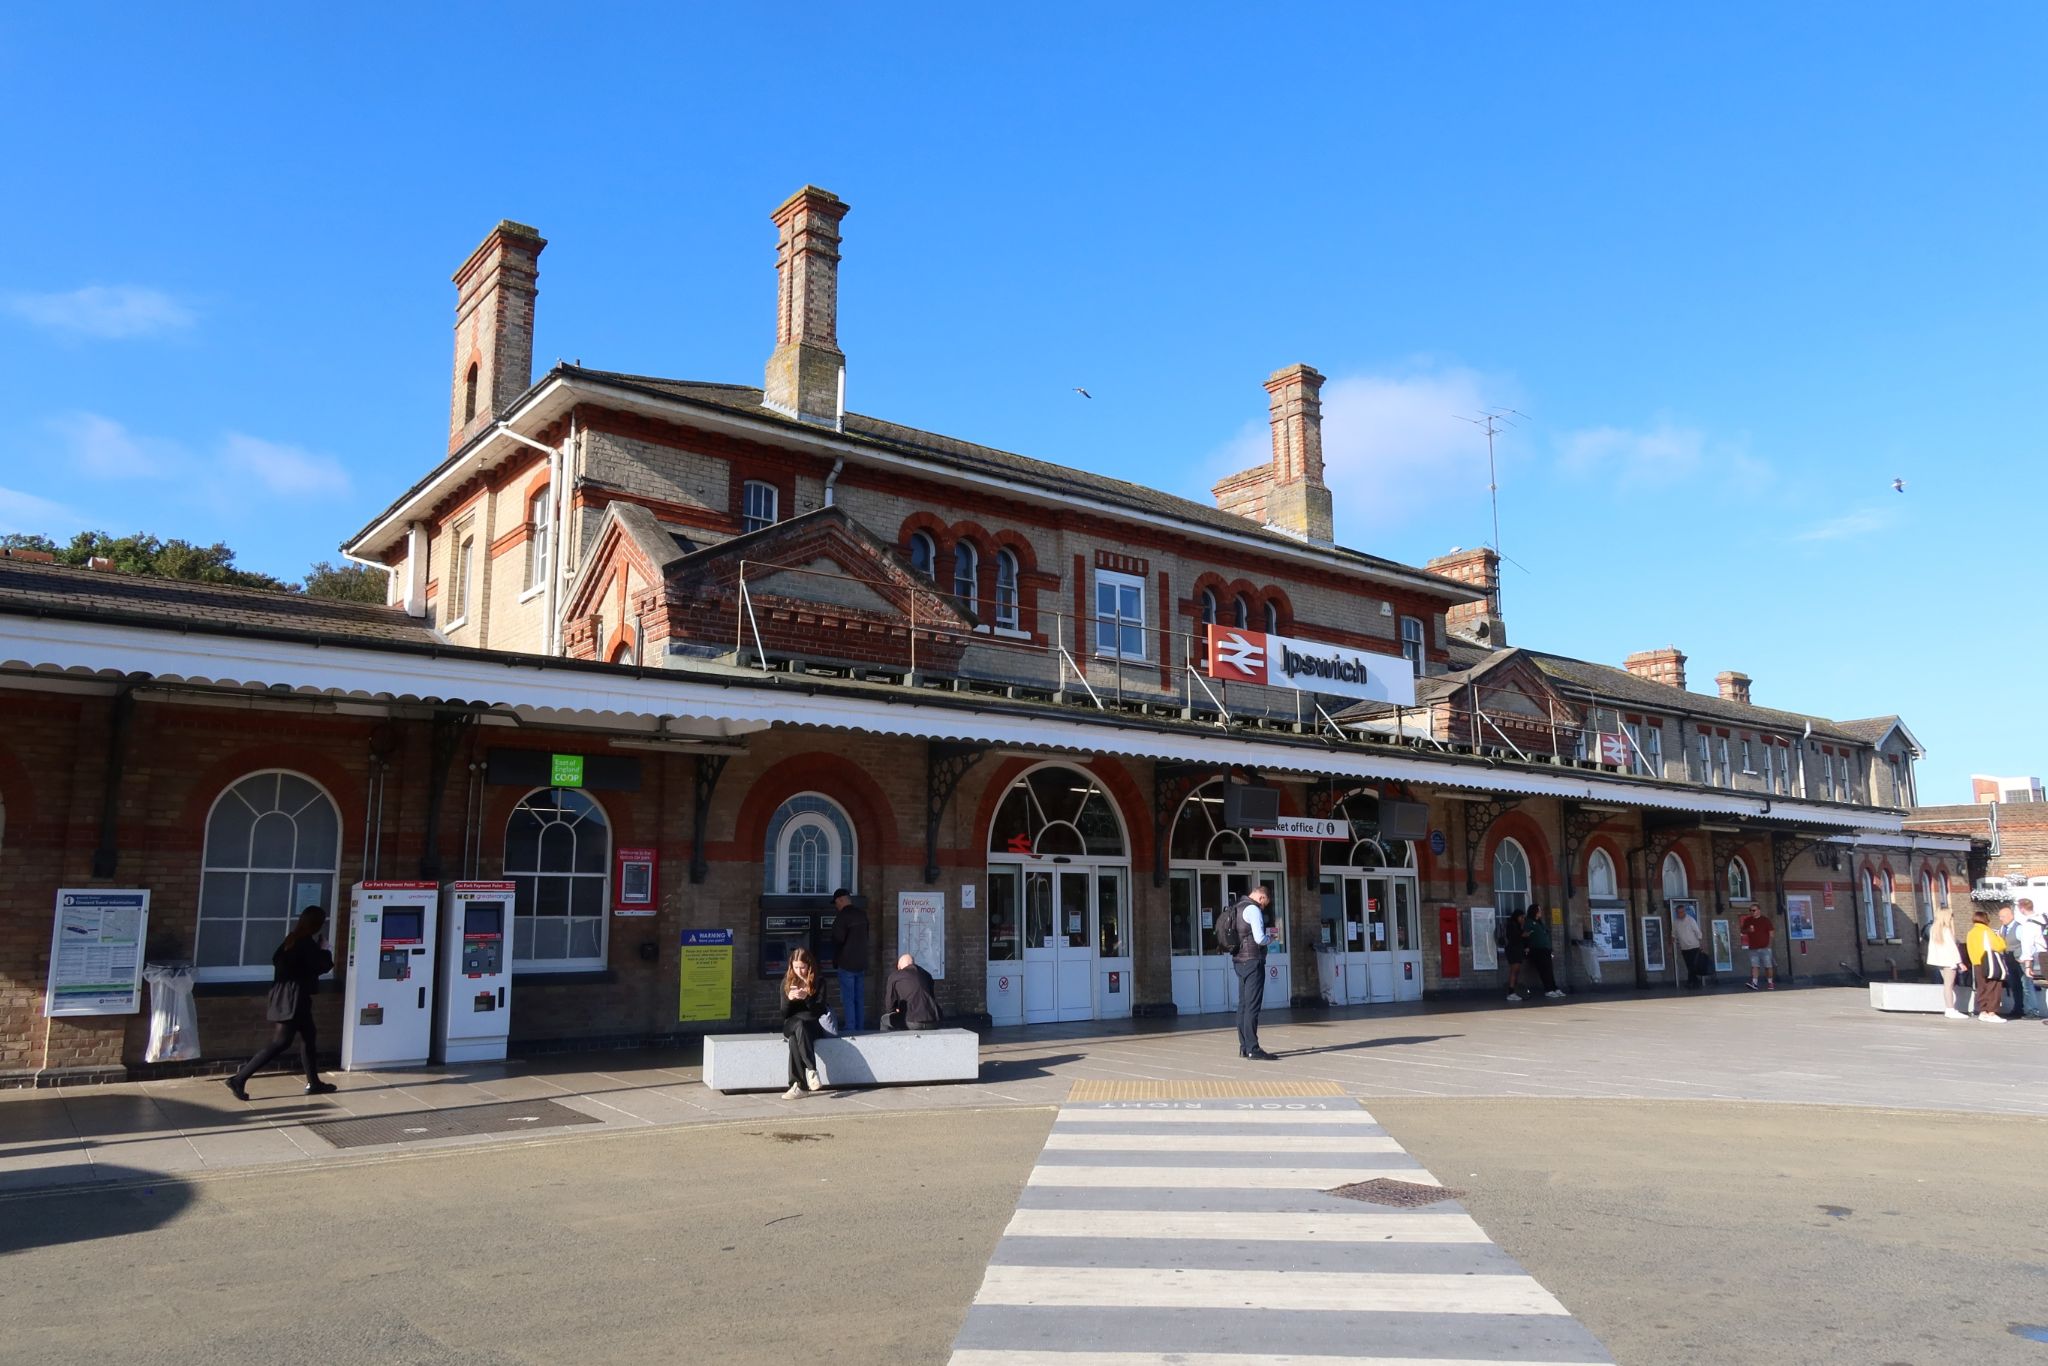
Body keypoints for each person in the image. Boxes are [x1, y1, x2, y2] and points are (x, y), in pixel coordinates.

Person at [225, 906, 338, 1100]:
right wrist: (325, 950)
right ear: (316, 925)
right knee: (281, 1041)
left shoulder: (291, 939)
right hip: (293, 998)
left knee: (309, 1036)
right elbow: (321, 966)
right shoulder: (305, 943)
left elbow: (280, 961)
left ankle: (314, 1082)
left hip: (287, 995)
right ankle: (239, 1078)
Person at [1227, 885, 1278, 1060]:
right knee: (1252, 1006)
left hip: (1238, 961)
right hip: (1252, 961)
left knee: (1242, 1005)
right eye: (1264, 904)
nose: (1263, 908)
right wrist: (1270, 939)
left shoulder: (1237, 906)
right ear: (1261, 898)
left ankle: (1243, 1046)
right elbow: (1259, 938)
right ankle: (1253, 1048)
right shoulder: (1253, 910)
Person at [781, 946, 830, 1098]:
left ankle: (798, 1086)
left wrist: (807, 999)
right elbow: (784, 1013)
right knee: (798, 1025)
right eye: (796, 967)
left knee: (794, 1040)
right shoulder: (786, 982)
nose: (799, 971)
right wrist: (789, 1000)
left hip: (812, 1024)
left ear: (809, 966)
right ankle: (812, 1070)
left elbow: (819, 1010)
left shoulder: (819, 982)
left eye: (802, 967)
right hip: (791, 1023)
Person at [828, 889, 869, 1036]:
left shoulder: (842, 917)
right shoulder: (862, 915)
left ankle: (851, 1027)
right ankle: (860, 1026)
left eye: (836, 903)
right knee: (859, 997)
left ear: (841, 900)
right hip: (861, 962)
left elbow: (837, 940)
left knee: (848, 997)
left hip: (846, 963)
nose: (836, 906)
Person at [1965, 911, 2008, 1024]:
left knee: (1982, 987)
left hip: (1977, 963)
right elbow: (1999, 946)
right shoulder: (1987, 931)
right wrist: (1999, 937)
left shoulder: (1971, 932)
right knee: (1994, 986)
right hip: (1989, 962)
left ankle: (1983, 1011)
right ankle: (1992, 1012)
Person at [1924, 908, 1967, 1019]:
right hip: (1949, 961)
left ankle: (1950, 1008)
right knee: (1949, 986)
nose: (1952, 918)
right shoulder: (1946, 930)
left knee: (1947, 985)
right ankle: (1950, 1009)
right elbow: (1952, 948)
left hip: (1940, 961)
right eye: (1951, 916)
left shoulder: (1934, 929)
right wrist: (1960, 962)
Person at [881, 953, 942, 1031]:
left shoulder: (895, 976)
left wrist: (897, 1010)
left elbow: (889, 1006)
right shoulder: (927, 975)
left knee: (884, 1020)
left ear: (899, 966)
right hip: (934, 1020)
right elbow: (931, 998)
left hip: (911, 1021)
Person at [2008, 898, 2046, 1020]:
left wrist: (2028, 965)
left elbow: (2028, 946)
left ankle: (2033, 1011)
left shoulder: (2029, 924)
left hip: (2044, 956)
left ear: (2022, 908)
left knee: (2030, 984)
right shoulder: (2044, 917)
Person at [1525, 905, 1563, 999]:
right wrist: (1527, 946)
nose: (1540, 912)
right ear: (1534, 911)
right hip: (1537, 950)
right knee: (1543, 970)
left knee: (1549, 969)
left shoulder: (1540, 923)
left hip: (1545, 949)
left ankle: (1554, 988)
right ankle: (1548, 989)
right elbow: (1525, 935)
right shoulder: (1529, 922)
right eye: (1539, 910)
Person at [1739, 905, 1776, 991]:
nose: (1752, 912)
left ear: (1759, 910)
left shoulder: (1765, 920)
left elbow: (1771, 933)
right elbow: (1742, 931)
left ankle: (1770, 982)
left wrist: (1769, 945)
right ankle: (1754, 983)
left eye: (1754, 910)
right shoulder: (1748, 920)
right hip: (1753, 947)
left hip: (1765, 947)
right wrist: (1748, 930)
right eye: (1750, 910)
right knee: (1754, 966)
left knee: (1768, 966)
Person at [1672, 907, 1708, 989]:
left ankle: (1690, 982)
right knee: (1689, 965)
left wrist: (1701, 943)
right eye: (1679, 912)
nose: (1681, 914)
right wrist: (1670, 946)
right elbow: (1673, 934)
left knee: (1692, 965)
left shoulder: (1691, 920)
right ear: (1677, 913)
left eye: (1682, 912)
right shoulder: (1676, 922)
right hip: (1684, 948)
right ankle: (1695, 981)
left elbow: (1697, 932)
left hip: (1694, 946)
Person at [1501, 908, 1529, 1002]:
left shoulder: (1517, 925)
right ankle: (1511, 992)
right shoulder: (1512, 925)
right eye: (1521, 917)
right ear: (1517, 917)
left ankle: (1513, 991)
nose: (1523, 919)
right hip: (1513, 950)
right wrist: (1523, 934)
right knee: (1514, 970)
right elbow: (1514, 937)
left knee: (1516, 970)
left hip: (1517, 950)